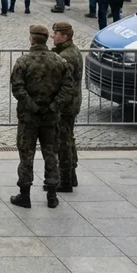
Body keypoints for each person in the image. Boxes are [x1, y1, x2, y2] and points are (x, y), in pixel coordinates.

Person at [10, 25, 75, 209]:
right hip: (50, 118)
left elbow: (17, 88)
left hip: (29, 118)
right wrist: (53, 106)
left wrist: (33, 107)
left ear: (32, 39)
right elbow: (68, 87)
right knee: (50, 154)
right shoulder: (59, 61)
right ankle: (52, 196)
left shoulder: (24, 61)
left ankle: (25, 195)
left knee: (26, 155)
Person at [52, 22, 83, 192]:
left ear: (65, 36)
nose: (53, 36)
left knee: (63, 141)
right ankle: (71, 175)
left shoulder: (68, 56)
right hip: (71, 103)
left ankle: (65, 180)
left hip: (66, 105)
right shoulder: (67, 51)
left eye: (56, 33)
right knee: (68, 138)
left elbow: (62, 82)